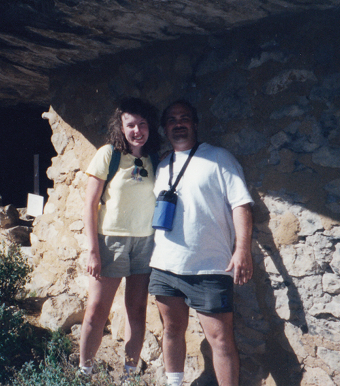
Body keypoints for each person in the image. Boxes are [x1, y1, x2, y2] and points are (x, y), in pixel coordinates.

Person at [148, 100, 254, 386]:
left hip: (209, 267)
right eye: (172, 119)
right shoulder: (161, 165)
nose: (178, 123)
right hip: (165, 265)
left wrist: (242, 249)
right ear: (165, 127)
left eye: (184, 118)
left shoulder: (220, 158)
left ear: (195, 124)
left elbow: (241, 205)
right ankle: (174, 383)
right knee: (171, 330)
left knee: (220, 340)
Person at [79, 98, 161, 377]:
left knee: (136, 310)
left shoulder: (153, 158)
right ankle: (85, 370)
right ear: (121, 127)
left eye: (142, 124)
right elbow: (90, 204)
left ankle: (129, 374)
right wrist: (92, 250)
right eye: (130, 125)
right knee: (97, 310)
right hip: (110, 241)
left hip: (144, 242)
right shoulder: (108, 154)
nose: (137, 130)